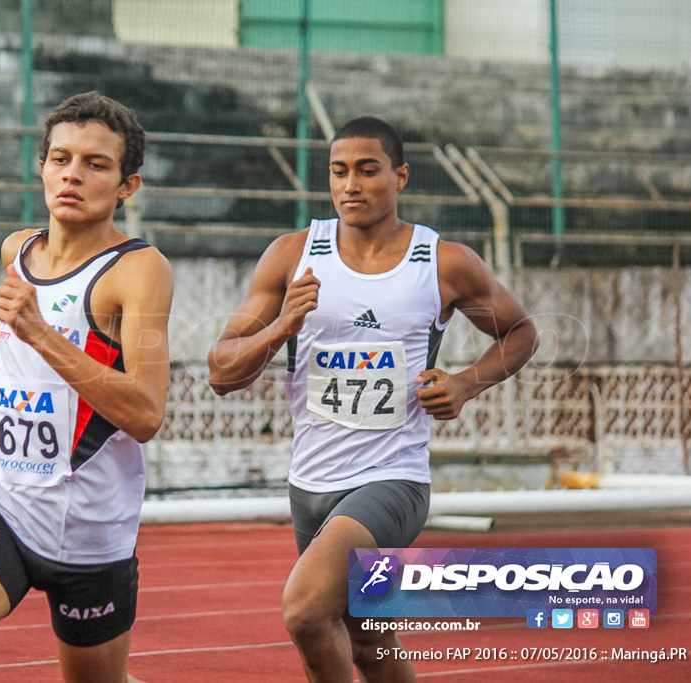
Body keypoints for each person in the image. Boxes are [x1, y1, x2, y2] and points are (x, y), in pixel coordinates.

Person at [207, 116, 538, 682]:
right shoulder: (293, 256)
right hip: (309, 485)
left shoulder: (442, 262)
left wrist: (465, 383)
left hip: (392, 479)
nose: (350, 185)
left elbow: (522, 332)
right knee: (365, 635)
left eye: (367, 170)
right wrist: (281, 326)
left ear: (400, 176)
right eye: (339, 172)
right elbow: (221, 370)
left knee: (307, 612)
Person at [0, 92, 172, 683]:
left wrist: (42, 332)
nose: (73, 174)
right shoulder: (19, 249)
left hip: (91, 528)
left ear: (127, 185)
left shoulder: (138, 272)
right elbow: (3, 340)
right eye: (61, 158)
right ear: (40, 167)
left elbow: (145, 413)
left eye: (96, 164)